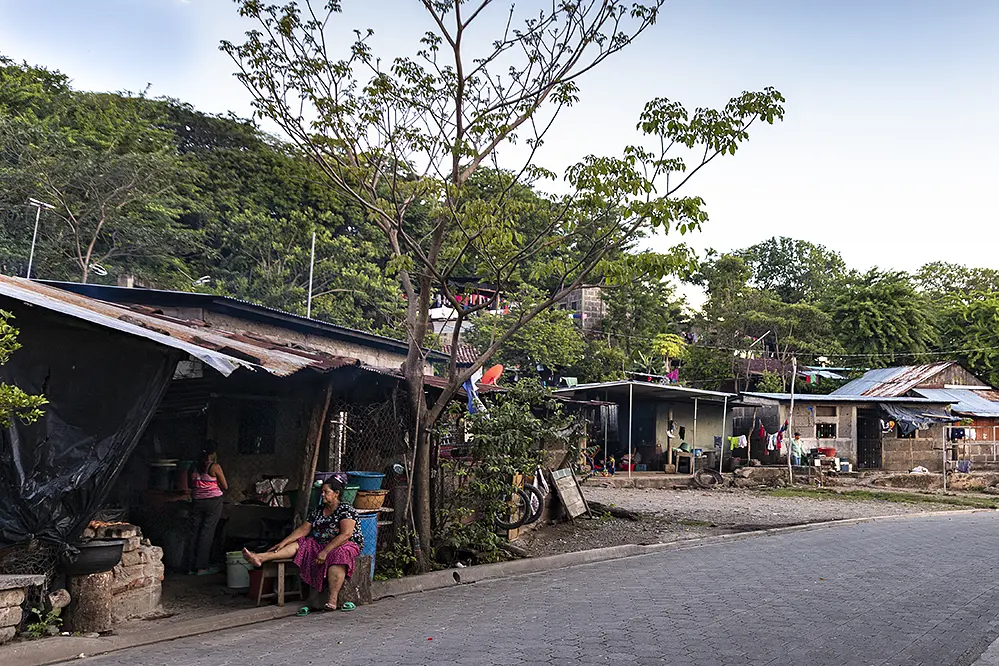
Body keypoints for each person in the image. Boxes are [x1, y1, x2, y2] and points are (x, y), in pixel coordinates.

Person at [242, 474, 364, 611]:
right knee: (301, 544)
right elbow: (303, 529)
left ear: (336, 494)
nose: (322, 495)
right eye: (322, 492)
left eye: (326, 492)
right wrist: (284, 542)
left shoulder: (346, 510)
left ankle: (332, 599)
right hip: (320, 542)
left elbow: (345, 534)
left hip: (345, 544)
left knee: (338, 555)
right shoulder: (318, 511)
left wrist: (325, 551)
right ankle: (260, 557)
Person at [188, 440, 227, 575]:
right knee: (207, 532)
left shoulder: (193, 466)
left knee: (194, 532)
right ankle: (202, 567)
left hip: (197, 501)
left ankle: (190, 567)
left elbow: (190, 485)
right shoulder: (214, 467)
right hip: (213, 502)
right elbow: (225, 486)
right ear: (213, 453)